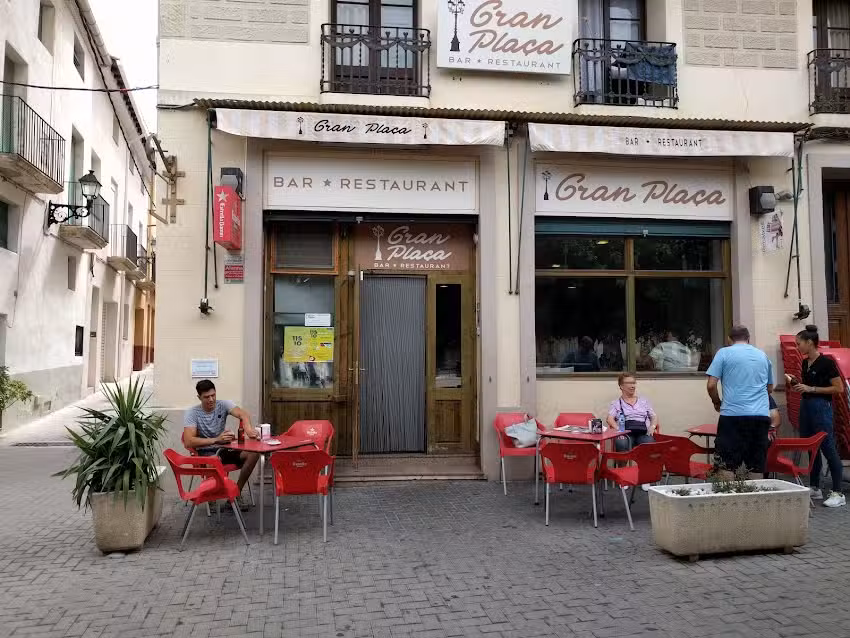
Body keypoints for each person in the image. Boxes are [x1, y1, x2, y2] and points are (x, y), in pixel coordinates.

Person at [789, 325, 845, 507]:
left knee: (827, 446)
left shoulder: (827, 363)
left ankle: (838, 492)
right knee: (809, 446)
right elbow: (807, 385)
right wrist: (797, 383)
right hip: (806, 406)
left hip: (821, 407)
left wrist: (812, 389)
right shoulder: (805, 362)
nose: (797, 347)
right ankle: (815, 486)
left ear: (810, 343)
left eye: (799, 344)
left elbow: (839, 388)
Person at [705, 325, 774, 476]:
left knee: (726, 465)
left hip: (732, 415)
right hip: (760, 416)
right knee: (756, 466)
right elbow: (769, 388)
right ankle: (756, 499)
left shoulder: (723, 353)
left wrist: (717, 402)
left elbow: (711, 385)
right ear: (748, 339)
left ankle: (727, 499)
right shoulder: (762, 355)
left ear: (729, 339)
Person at [183, 379, 260, 508]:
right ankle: (211, 496)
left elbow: (243, 414)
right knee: (212, 460)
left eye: (213, 395)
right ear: (199, 397)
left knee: (254, 454)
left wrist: (249, 430)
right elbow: (188, 441)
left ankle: (235, 494)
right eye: (206, 397)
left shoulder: (223, 404)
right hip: (205, 453)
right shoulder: (192, 413)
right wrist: (216, 439)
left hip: (223, 450)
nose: (211, 399)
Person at [607, 373, 658, 490]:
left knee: (649, 442)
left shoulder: (644, 401)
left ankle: (645, 477)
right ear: (621, 386)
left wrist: (652, 426)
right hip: (625, 432)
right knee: (621, 443)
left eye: (633, 383)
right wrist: (619, 431)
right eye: (629, 383)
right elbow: (609, 419)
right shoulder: (616, 403)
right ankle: (623, 476)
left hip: (642, 432)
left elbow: (653, 416)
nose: (632, 386)